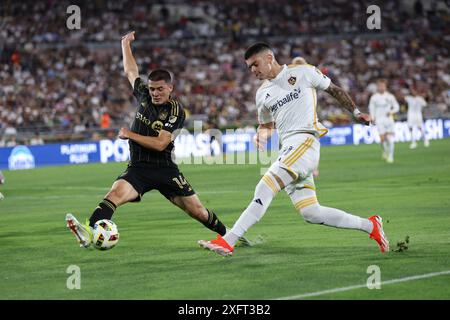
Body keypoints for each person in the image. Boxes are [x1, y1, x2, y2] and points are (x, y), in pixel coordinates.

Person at [198, 42, 389, 256]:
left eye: (255, 64)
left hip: (305, 141)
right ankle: (371, 225)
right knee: (311, 212)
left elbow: (334, 90)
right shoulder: (262, 95)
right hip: (288, 148)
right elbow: (267, 125)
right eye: (249, 67)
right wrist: (261, 135)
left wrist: (356, 113)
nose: (252, 71)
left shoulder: (304, 73)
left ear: (269, 57)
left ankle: (228, 240)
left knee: (265, 186)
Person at [66, 31, 248, 248]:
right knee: (114, 194)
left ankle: (229, 235)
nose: (155, 93)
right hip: (139, 168)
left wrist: (129, 134)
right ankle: (89, 231)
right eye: (152, 89)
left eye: (160, 89)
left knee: (197, 211)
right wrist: (125, 44)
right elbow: (130, 70)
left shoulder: (175, 111)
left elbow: (161, 143)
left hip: (164, 169)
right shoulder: (143, 95)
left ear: (170, 88)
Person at [368, 79, 400, 163]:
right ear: (378, 87)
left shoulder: (390, 96)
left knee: (389, 138)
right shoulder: (374, 97)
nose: (381, 87)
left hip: (389, 119)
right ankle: (385, 151)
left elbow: (397, 107)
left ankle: (391, 156)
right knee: (382, 139)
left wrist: (391, 112)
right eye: (380, 86)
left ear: (385, 87)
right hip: (379, 119)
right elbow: (372, 108)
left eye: (383, 86)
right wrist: (372, 117)